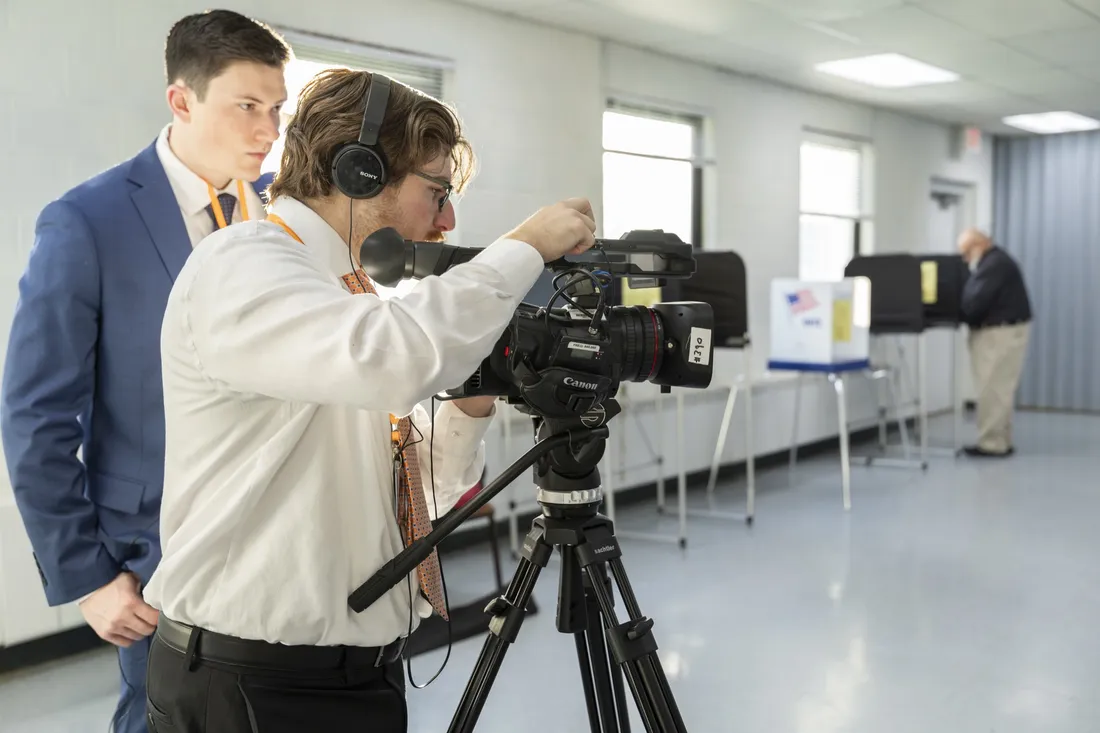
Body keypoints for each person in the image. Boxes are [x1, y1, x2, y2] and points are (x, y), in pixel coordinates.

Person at [139, 67, 596, 731]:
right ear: (360, 171)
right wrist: (523, 248)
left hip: (355, 675)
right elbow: (392, 358)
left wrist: (469, 406)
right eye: (436, 191)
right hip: (254, 687)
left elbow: (421, 494)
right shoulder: (243, 264)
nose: (446, 221)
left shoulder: (346, 297)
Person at [0, 10, 290, 733]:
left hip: (280, 532)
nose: (268, 130)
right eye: (247, 107)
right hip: (157, 552)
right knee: (168, 719)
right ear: (182, 101)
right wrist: (89, 576)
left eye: (277, 108)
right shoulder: (86, 222)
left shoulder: (281, 213)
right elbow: (34, 413)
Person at [957, 228, 1032, 457]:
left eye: (966, 253)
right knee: (1000, 390)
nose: (965, 259)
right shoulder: (997, 261)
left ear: (979, 245)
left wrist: (958, 313)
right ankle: (1001, 440)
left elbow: (976, 301)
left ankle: (991, 444)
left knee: (992, 389)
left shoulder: (993, 265)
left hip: (998, 334)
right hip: (1006, 330)